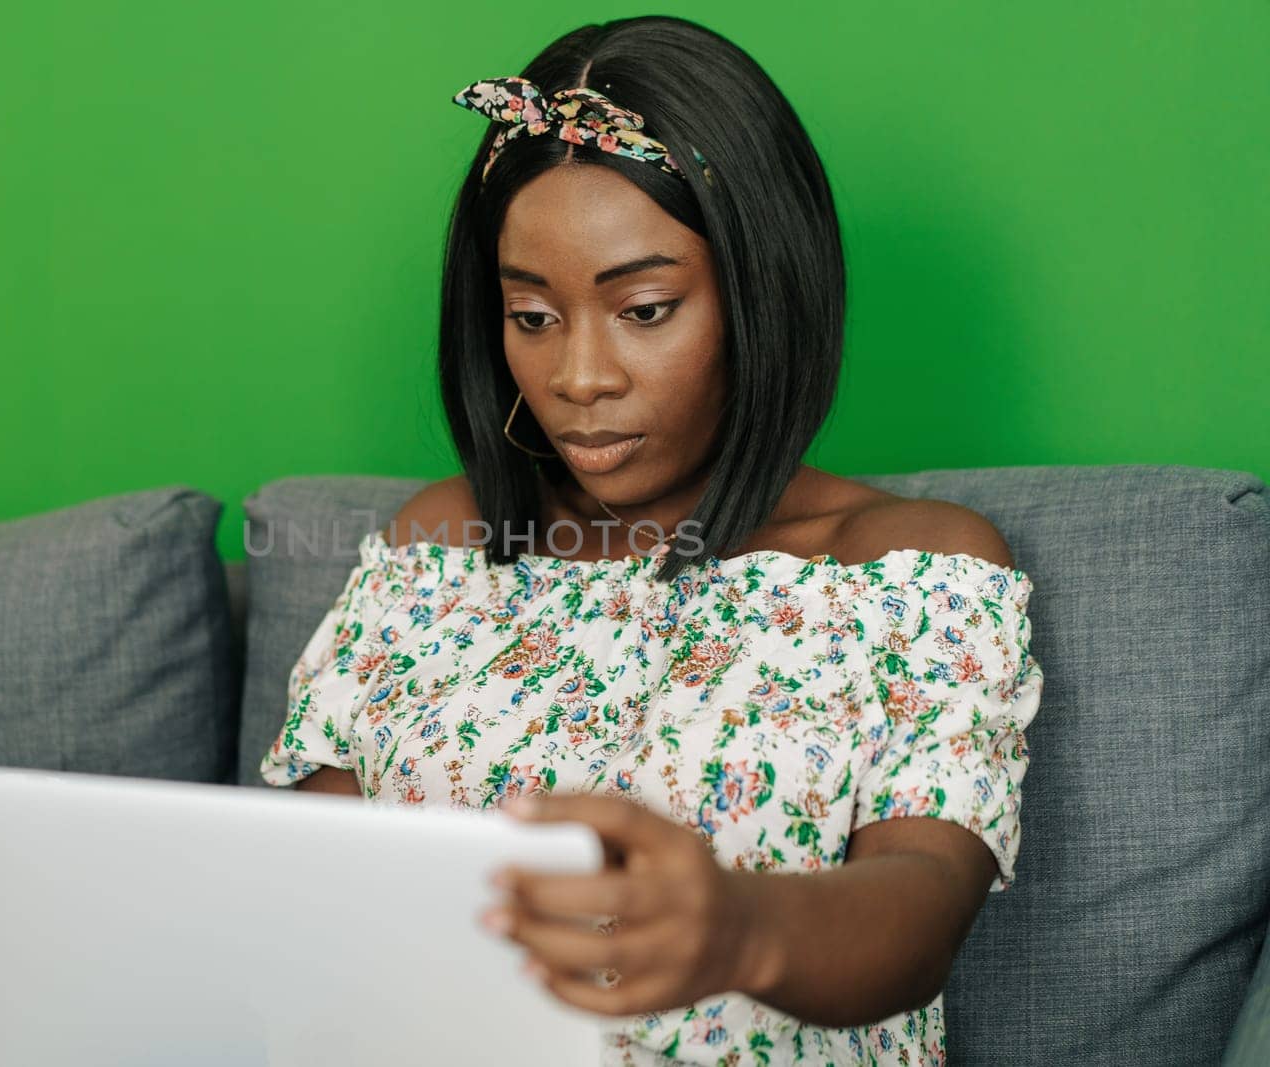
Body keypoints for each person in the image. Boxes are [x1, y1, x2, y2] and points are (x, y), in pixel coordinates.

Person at [260, 14, 1044, 1066]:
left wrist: (733, 923)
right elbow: (310, 890)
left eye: (642, 307)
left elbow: (920, 903)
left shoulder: (911, 568)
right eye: (532, 316)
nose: (579, 377)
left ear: (761, 294)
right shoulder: (439, 546)